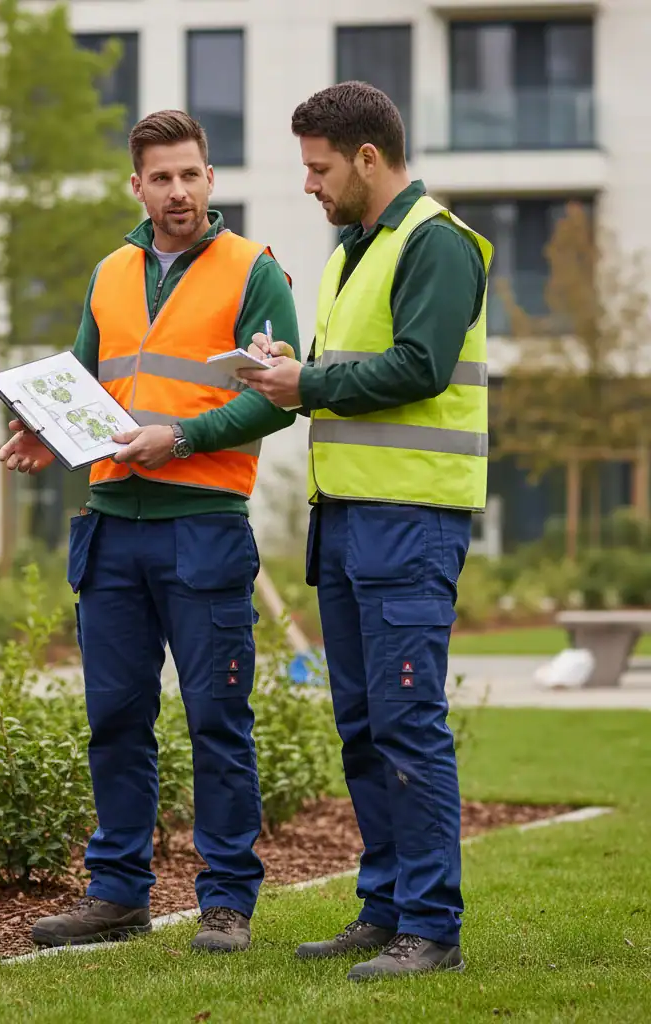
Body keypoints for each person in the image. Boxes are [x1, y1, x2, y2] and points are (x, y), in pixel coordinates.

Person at [0, 110, 301, 953]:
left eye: (191, 175)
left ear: (212, 178)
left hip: (202, 526)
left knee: (217, 720)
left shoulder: (254, 272)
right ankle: (118, 895)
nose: (178, 191)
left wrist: (187, 434)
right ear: (137, 185)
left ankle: (227, 902)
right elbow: (83, 385)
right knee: (116, 719)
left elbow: (278, 394)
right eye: (160, 177)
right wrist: (41, 431)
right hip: (111, 526)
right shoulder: (108, 273)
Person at [237, 81, 491, 981]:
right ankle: (385, 910)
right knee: (361, 726)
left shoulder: (438, 245)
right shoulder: (356, 252)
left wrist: (306, 387)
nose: (309, 185)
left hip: (410, 523)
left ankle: (432, 928)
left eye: (319, 167)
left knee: (409, 724)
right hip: (345, 523)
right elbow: (351, 370)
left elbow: (419, 366)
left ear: (368, 158)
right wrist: (289, 368)